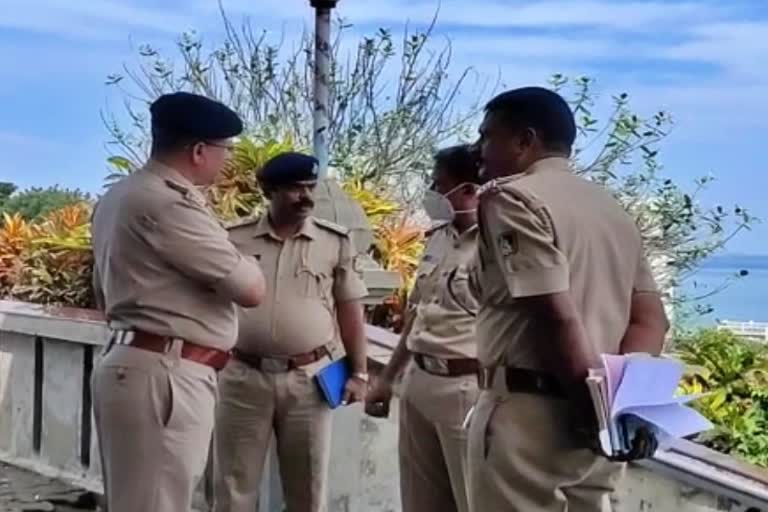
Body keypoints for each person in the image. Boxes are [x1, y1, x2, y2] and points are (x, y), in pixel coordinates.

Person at [467, 86, 670, 512]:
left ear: (525, 140)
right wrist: (618, 408)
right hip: (600, 422)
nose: (480, 149)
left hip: (531, 419)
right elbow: (651, 320)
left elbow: (553, 315)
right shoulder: (610, 208)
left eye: (488, 136)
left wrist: (587, 407)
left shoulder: (512, 198)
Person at [89, 92, 267, 512]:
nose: (226, 161)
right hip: (164, 374)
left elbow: (101, 288)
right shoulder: (168, 202)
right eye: (225, 150)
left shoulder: (121, 195)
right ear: (199, 150)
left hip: (141, 363)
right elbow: (250, 288)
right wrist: (247, 261)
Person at [212, 151, 369, 512]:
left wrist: (359, 373)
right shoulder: (233, 239)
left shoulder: (335, 241)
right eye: (295, 189)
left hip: (308, 380)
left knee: (307, 488)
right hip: (242, 377)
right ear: (270, 191)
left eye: (310, 187)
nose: (306, 197)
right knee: (233, 485)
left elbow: (350, 310)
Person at [365, 144, 481, 512]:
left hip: (467, 387)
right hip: (419, 382)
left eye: (439, 183)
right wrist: (388, 377)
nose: (432, 191)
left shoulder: (496, 244)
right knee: (420, 501)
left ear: (469, 190)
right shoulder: (438, 238)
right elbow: (418, 315)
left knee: (473, 499)